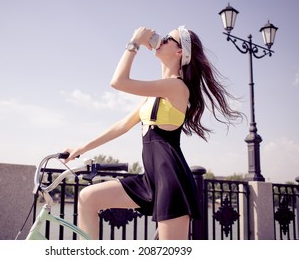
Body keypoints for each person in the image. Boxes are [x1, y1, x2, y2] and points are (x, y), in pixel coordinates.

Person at [64, 26, 243, 240]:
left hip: (171, 180)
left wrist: (135, 43)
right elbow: (122, 125)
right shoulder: (155, 94)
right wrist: (81, 148)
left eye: (169, 38)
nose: (162, 40)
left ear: (179, 52)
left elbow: (118, 82)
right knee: (88, 198)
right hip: (149, 179)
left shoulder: (177, 87)